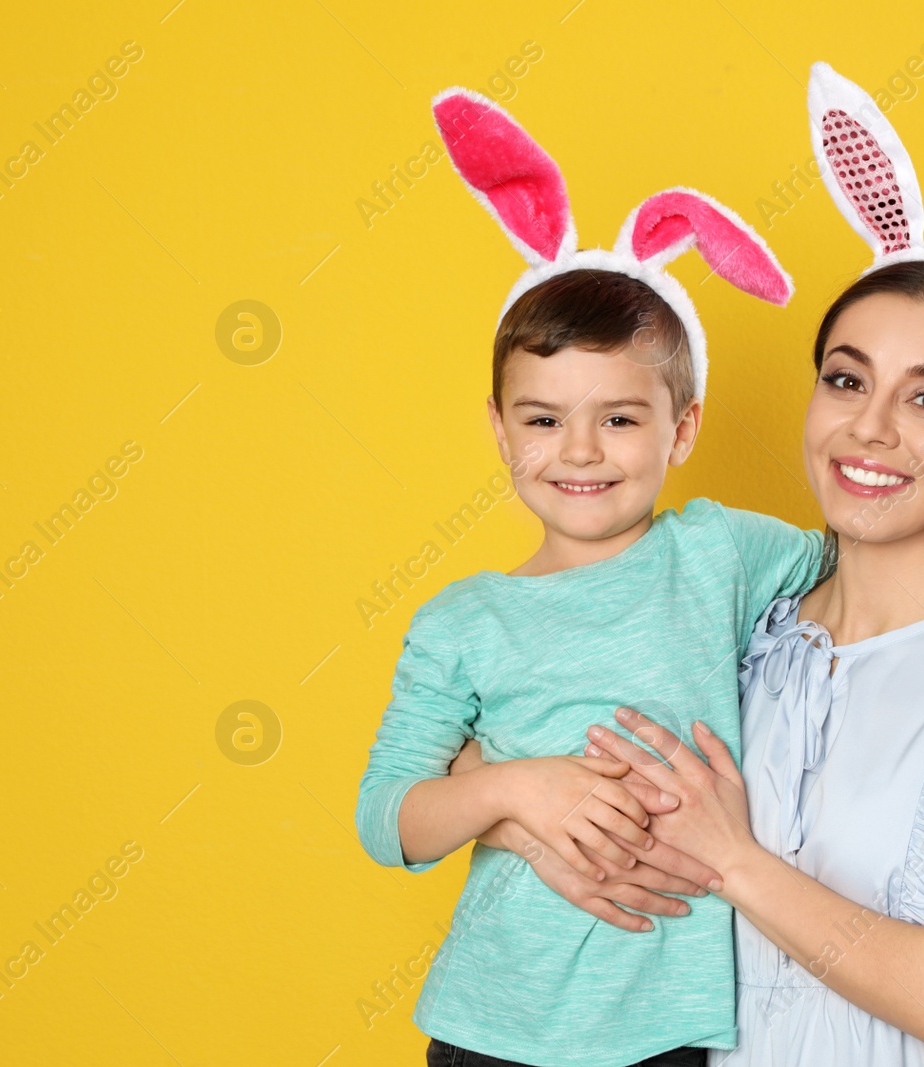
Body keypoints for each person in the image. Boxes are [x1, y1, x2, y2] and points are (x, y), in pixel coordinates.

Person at [457, 63, 924, 1067]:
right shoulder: (733, 618)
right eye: (845, 378)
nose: (868, 428)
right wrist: (530, 808)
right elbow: (482, 727)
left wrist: (733, 860)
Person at [354, 87, 832, 1066]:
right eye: (543, 418)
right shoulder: (464, 617)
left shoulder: (718, 552)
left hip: (678, 1026)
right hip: (495, 1023)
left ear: (681, 428)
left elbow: (869, 564)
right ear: (499, 428)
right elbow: (386, 815)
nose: (580, 449)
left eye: (618, 417)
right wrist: (516, 790)